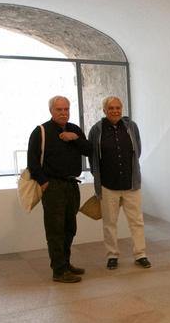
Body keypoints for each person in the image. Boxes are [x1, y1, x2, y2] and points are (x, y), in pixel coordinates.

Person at [27, 96, 91, 283]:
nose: (63, 113)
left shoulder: (74, 130)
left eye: (66, 109)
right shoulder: (41, 131)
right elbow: (32, 160)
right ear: (51, 111)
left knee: (70, 228)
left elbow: (89, 150)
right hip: (53, 186)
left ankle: (66, 263)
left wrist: (75, 139)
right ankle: (59, 270)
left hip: (72, 184)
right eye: (59, 110)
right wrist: (43, 181)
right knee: (55, 229)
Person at [88, 95, 150, 270]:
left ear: (121, 109)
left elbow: (137, 150)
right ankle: (112, 255)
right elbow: (92, 158)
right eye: (111, 108)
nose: (115, 111)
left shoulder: (131, 126)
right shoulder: (96, 130)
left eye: (118, 108)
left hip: (131, 184)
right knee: (109, 223)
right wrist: (98, 178)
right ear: (104, 110)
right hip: (108, 185)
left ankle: (141, 254)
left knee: (136, 221)